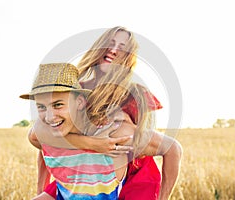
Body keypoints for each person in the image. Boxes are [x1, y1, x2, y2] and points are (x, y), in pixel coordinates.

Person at [31, 26, 182, 200]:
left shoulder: (135, 93)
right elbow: (49, 141)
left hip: (130, 176)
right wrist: (93, 143)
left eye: (122, 47)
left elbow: (143, 142)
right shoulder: (75, 88)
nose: (113, 50)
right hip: (81, 170)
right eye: (110, 43)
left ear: (128, 57)